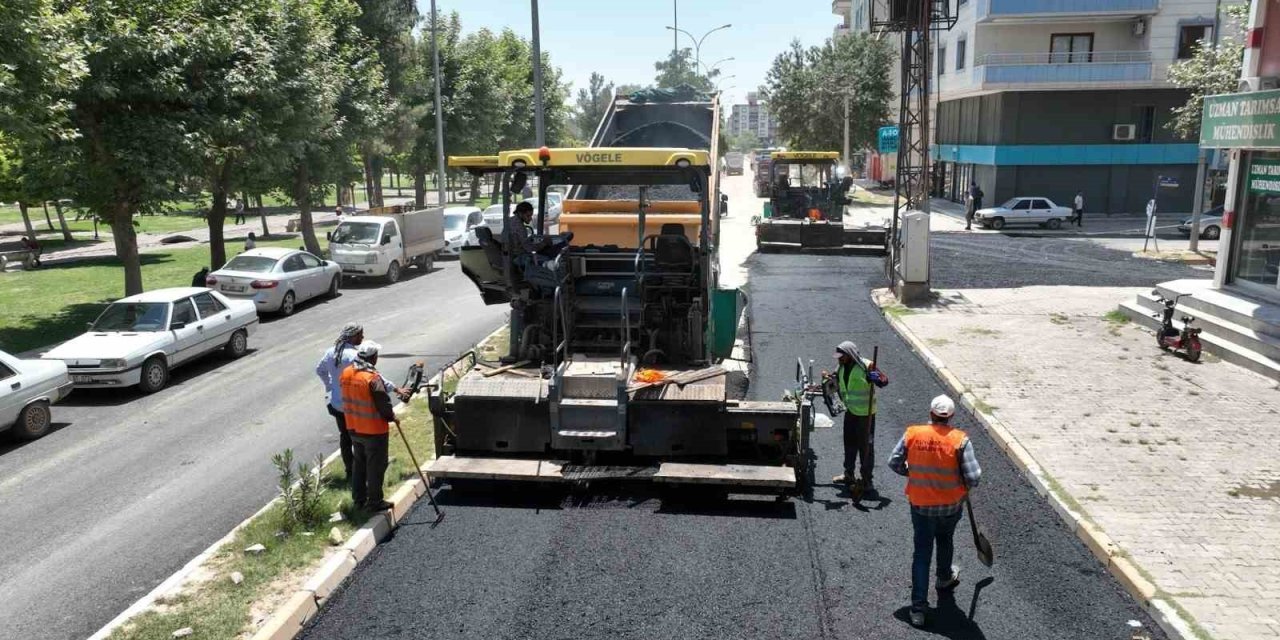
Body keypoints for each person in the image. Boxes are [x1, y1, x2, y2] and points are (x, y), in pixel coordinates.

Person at [887, 395, 982, 628]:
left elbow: (894, 462)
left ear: (931, 414)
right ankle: (943, 577)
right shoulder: (960, 440)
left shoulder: (913, 434)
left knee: (921, 554)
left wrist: (914, 473)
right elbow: (974, 476)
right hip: (950, 506)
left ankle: (918, 609)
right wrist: (961, 483)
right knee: (946, 539)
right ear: (950, 416)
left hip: (920, 506)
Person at [339, 340, 398, 511]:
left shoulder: (347, 373)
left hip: (353, 428)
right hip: (373, 430)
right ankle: (375, 501)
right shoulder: (372, 378)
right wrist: (392, 416)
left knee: (359, 464)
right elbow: (383, 402)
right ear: (373, 357)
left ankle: (359, 499)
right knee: (376, 466)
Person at [828, 340, 889, 497]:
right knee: (849, 444)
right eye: (838, 357)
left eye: (842, 357)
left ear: (850, 355)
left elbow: (884, 381)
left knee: (866, 448)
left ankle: (867, 480)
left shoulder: (866, 365)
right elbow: (835, 381)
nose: (839, 359)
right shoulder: (841, 367)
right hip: (851, 412)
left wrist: (876, 378)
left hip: (866, 415)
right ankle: (849, 474)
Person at [315, 323, 365, 478]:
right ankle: (360, 470)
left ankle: (349, 469)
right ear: (353, 336)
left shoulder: (331, 352)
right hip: (354, 404)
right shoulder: (355, 355)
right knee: (358, 437)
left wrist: (330, 387)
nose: (362, 337)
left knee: (344, 436)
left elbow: (319, 370)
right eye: (360, 335)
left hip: (337, 403)